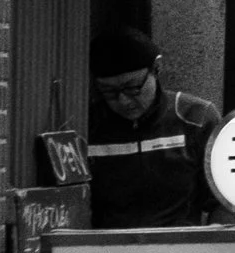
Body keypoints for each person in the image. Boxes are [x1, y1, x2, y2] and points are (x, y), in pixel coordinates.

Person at [85, 26, 221, 231]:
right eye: (109, 91)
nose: (123, 101)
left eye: (133, 88)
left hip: (181, 250)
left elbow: (222, 201)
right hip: (107, 251)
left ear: (156, 69)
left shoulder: (196, 118)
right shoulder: (88, 124)